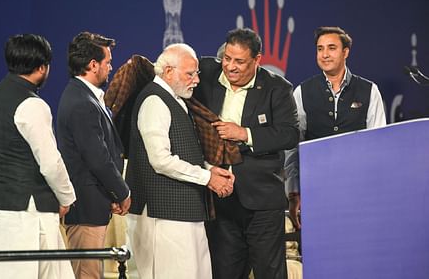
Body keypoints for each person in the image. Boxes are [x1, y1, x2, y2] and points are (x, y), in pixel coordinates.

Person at [194, 28, 300, 279]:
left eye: (239, 61)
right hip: (219, 201)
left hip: (262, 203)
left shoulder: (277, 88)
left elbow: (289, 134)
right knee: (224, 273)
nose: (230, 67)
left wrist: (245, 133)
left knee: (269, 273)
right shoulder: (207, 73)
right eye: (227, 58)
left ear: (257, 60)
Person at [126, 43, 235, 279]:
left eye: (196, 73)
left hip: (184, 213)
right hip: (163, 217)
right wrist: (207, 178)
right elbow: (161, 160)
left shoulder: (176, 100)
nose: (196, 80)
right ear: (167, 72)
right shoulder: (154, 101)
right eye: (190, 74)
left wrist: (211, 170)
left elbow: (183, 154)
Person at [0, 34, 76, 279]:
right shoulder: (33, 105)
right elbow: (50, 162)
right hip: (31, 213)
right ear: (42, 67)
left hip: (1, 207)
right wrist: (66, 197)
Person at [284, 26, 386, 229]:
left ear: (345, 52)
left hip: (360, 188)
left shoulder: (369, 90)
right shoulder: (302, 92)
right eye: (320, 49)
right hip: (316, 188)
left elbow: (378, 143)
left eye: (331, 48)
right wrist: (293, 191)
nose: (324, 54)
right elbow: (293, 147)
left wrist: (376, 188)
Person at [56, 31, 131, 279]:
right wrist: (122, 191)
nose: (111, 67)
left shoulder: (86, 97)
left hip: (94, 203)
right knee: (87, 275)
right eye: (108, 62)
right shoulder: (81, 102)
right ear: (93, 65)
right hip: (85, 208)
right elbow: (97, 157)